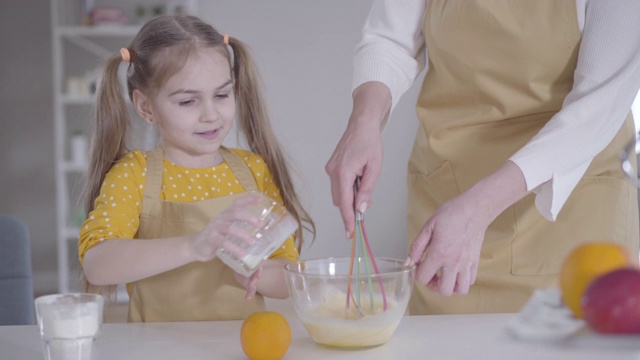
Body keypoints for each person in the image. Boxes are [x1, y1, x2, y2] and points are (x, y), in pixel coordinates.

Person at [326, 0, 640, 314]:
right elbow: (390, 38)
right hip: (449, 192)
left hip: (569, 212)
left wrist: (478, 208)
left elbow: (599, 102)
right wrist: (364, 123)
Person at [78, 15, 315, 322]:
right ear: (147, 107)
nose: (210, 115)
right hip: (156, 349)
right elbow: (98, 265)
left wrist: (259, 273)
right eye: (188, 101)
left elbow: (287, 274)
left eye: (221, 95)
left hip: (240, 348)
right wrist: (195, 244)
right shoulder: (134, 174)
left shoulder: (253, 171)